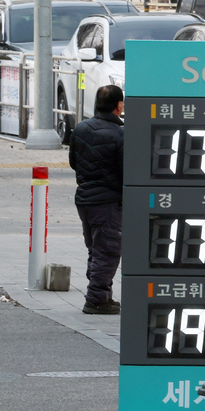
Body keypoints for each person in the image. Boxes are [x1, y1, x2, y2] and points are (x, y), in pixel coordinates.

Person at [68, 85, 125, 315]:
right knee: (107, 251)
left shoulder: (80, 129)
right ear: (119, 106)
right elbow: (125, 171)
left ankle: (102, 295)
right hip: (108, 202)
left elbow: (73, 162)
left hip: (84, 199)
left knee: (96, 249)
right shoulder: (120, 134)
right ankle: (96, 299)